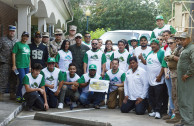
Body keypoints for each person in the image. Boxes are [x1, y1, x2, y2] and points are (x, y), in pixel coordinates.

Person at [141, 38, 165, 119]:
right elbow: (145, 63)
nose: (153, 45)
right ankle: (154, 110)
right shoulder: (150, 53)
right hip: (150, 80)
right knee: (151, 96)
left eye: (155, 44)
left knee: (158, 97)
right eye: (152, 44)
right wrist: (141, 58)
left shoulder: (161, 52)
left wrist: (160, 76)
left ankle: (158, 112)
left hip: (158, 80)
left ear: (158, 45)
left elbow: (163, 65)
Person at [175, 32, 194, 126]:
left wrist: (188, 74)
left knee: (187, 100)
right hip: (182, 79)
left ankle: (189, 122)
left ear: (189, 39)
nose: (181, 41)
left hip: (187, 79)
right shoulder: (184, 49)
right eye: (181, 39)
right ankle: (184, 120)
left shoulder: (192, 48)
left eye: (183, 39)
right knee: (182, 99)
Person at [0, 25, 18, 101]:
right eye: (11, 31)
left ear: (15, 32)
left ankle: (12, 94)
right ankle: (1, 94)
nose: (12, 32)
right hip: (4, 63)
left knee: (13, 79)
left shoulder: (17, 41)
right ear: (8, 31)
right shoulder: (2, 40)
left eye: (13, 31)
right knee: (3, 79)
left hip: (14, 64)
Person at [12, 31, 31, 102]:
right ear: (22, 36)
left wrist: (29, 67)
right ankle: (18, 95)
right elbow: (13, 54)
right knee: (22, 80)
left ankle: (23, 96)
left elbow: (29, 57)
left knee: (25, 81)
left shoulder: (27, 46)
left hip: (26, 66)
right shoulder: (17, 44)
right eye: (24, 36)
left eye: (27, 36)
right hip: (20, 66)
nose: (25, 37)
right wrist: (14, 65)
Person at [162, 37, 176, 121]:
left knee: (175, 95)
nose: (169, 45)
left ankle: (175, 113)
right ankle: (171, 113)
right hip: (168, 75)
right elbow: (164, 64)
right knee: (170, 94)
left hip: (176, 75)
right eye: (168, 43)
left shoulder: (179, 51)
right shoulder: (166, 51)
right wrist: (166, 73)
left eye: (171, 43)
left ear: (175, 43)